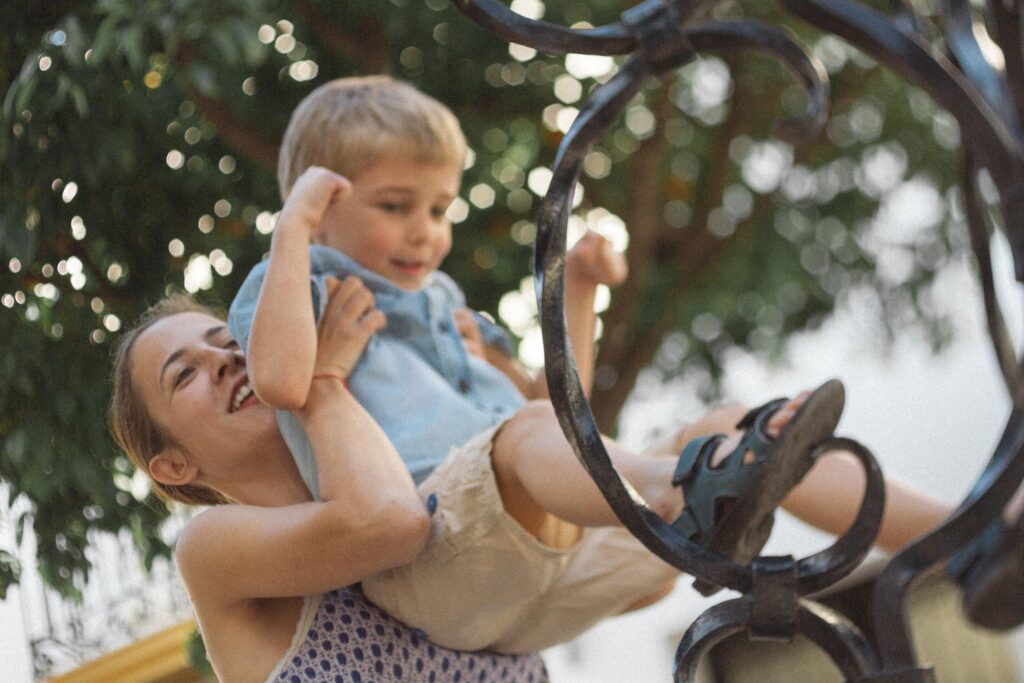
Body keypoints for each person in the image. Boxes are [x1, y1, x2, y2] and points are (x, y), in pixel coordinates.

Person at [225, 75, 953, 654]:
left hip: (538, 557)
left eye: (440, 209)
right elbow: (282, 382)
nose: (425, 232)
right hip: (432, 556)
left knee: (725, 425)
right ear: (317, 204)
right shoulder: (297, 288)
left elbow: (560, 417)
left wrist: (577, 291)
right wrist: (291, 233)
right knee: (563, 445)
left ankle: (963, 540)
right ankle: (680, 493)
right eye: (395, 206)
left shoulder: (447, 308)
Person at [110, 290, 551, 682]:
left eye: (230, 341)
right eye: (184, 374)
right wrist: (321, 381)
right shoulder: (208, 549)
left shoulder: (397, 459)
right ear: (174, 466)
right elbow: (393, 523)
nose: (225, 359)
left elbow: (556, 466)